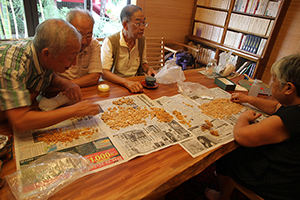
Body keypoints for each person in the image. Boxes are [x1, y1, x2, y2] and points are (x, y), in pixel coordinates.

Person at [205, 53, 300, 200]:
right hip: (290, 170)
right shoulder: (294, 104)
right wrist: (248, 99)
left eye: (274, 79)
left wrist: (244, 117)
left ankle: (223, 195)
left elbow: (242, 135)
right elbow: (276, 107)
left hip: (278, 181)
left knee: (226, 155)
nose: (271, 83)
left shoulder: (292, 117)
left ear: (288, 88)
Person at [0, 19, 100, 133]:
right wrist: (74, 110)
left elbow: (48, 72)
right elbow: (20, 122)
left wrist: (66, 84)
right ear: (46, 54)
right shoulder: (11, 64)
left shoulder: (41, 49)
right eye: (71, 57)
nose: (74, 63)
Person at [101, 5, 157, 93]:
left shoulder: (141, 39)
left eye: (143, 23)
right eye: (138, 23)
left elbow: (143, 63)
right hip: (116, 84)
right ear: (125, 25)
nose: (142, 27)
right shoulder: (110, 41)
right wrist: (126, 82)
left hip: (135, 83)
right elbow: (104, 72)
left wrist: (149, 69)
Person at [56, 8, 102, 87]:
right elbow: (50, 80)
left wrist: (65, 85)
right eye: (79, 34)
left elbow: (94, 77)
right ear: (67, 28)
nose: (84, 41)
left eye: (88, 35)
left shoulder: (93, 44)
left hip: (84, 91)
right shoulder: (56, 44)